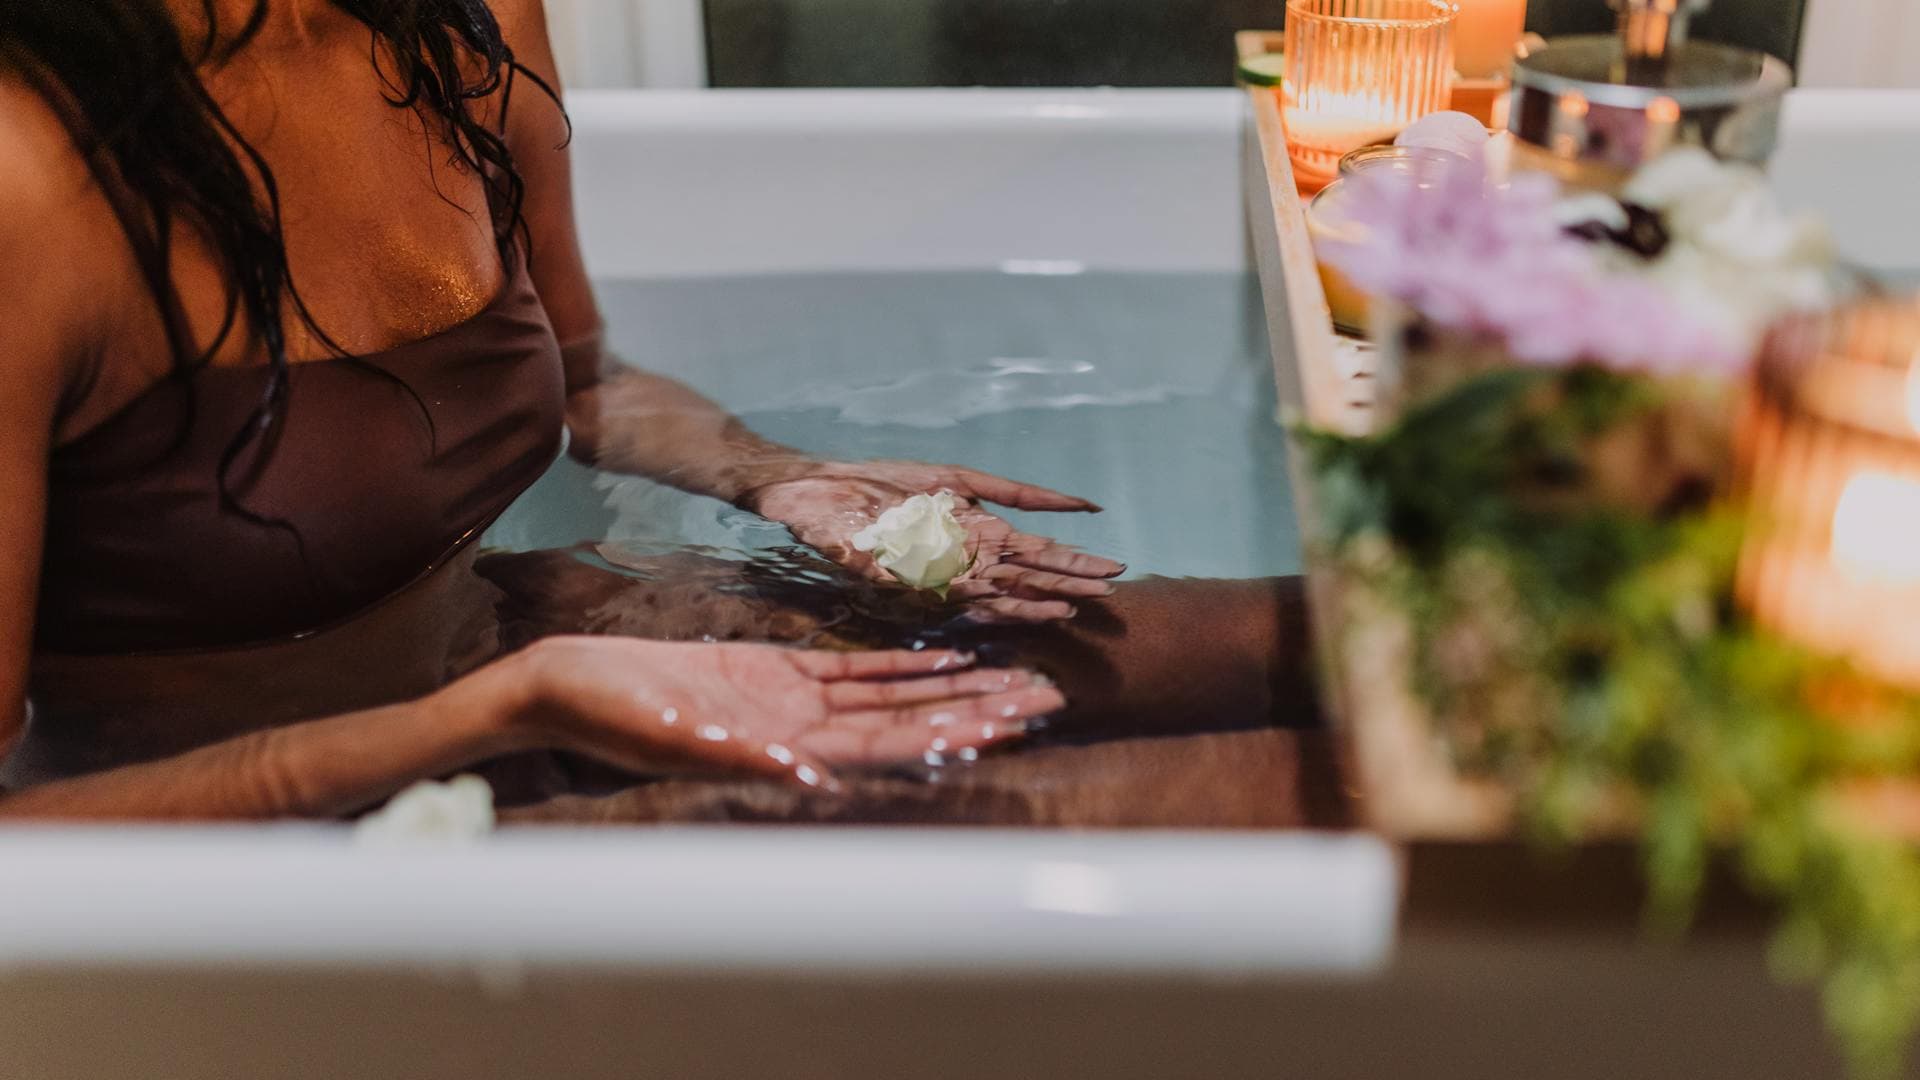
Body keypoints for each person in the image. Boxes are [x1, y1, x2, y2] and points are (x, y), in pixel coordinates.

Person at [0, 0, 1139, 818]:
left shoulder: (449, 32)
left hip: (519, 654)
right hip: (251, 851)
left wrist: (770, 472)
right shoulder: (30, 170)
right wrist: (500, 713)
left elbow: (589, 382)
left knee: (1247, 652)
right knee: (1193, 807)